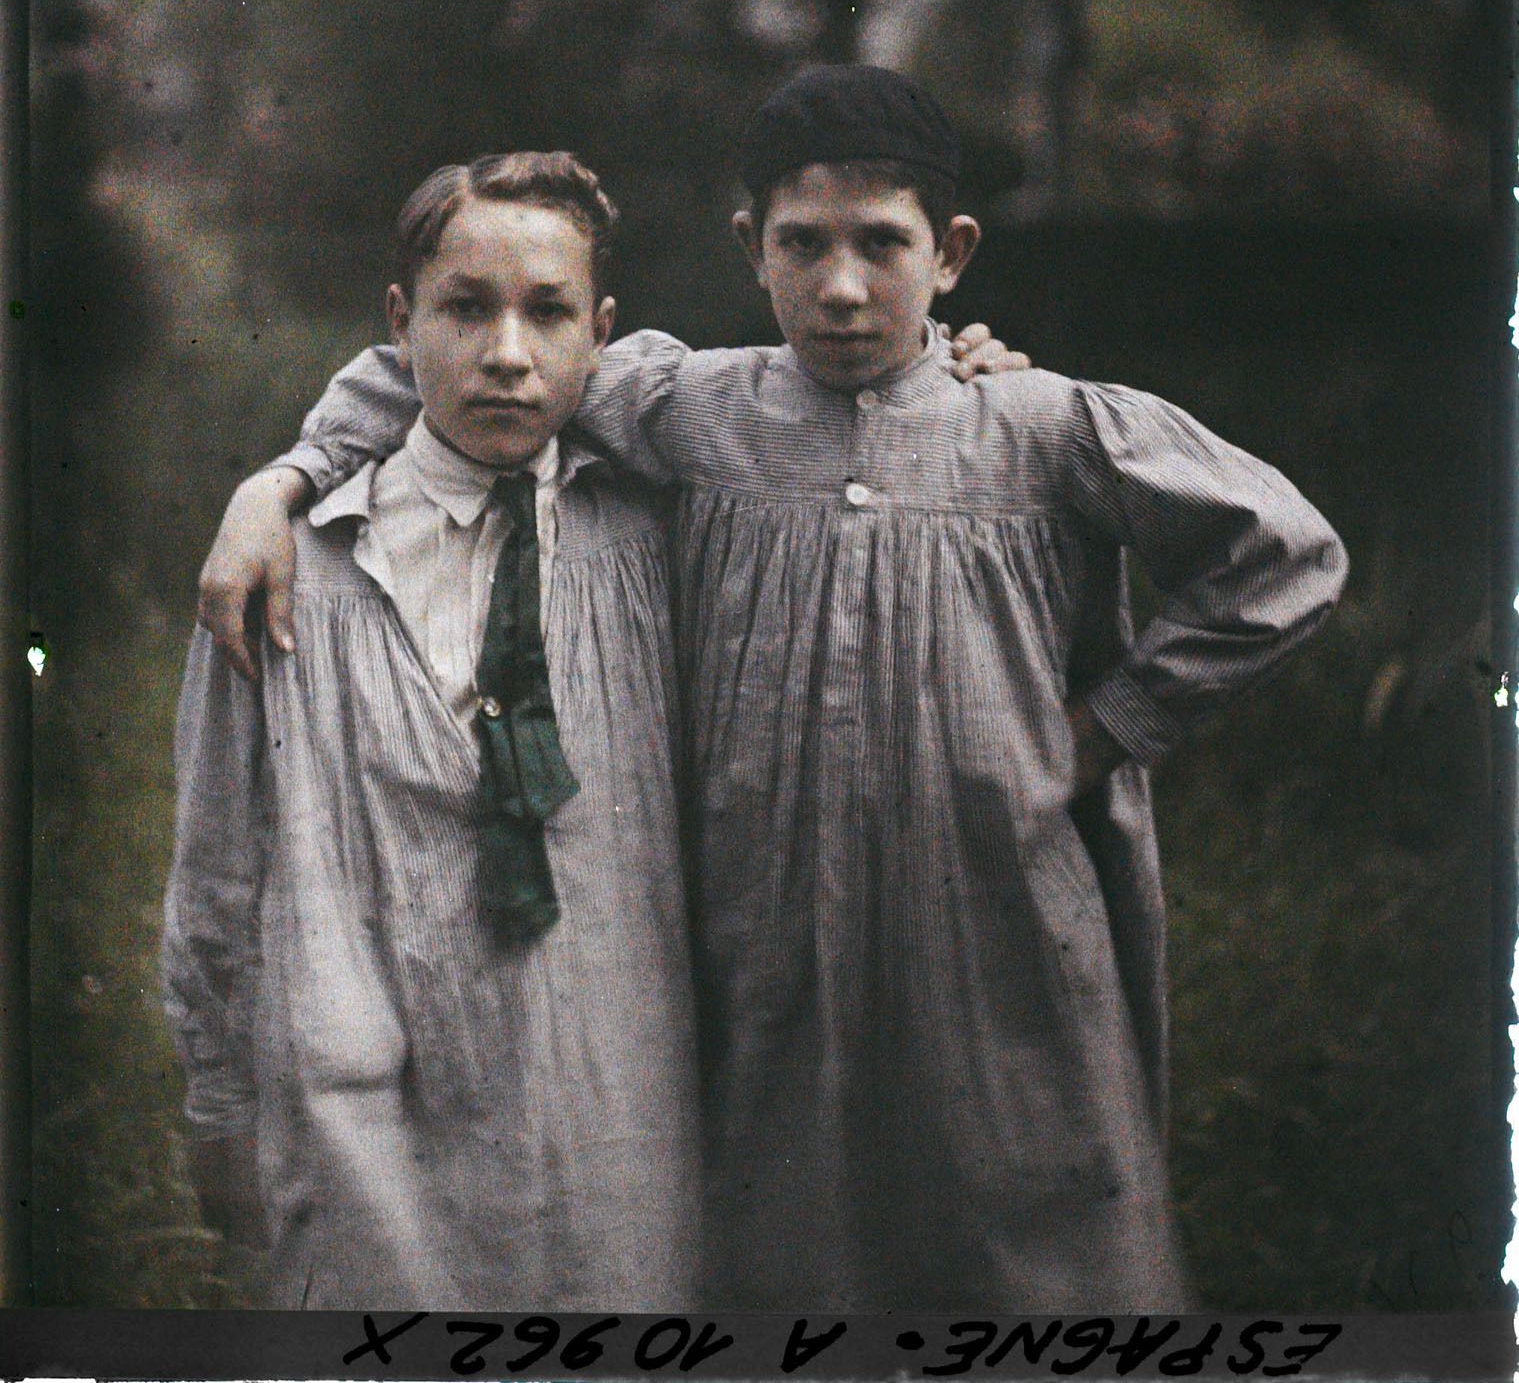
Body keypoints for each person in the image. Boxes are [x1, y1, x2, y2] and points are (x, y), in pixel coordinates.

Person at [198, 66, 1349, 1313]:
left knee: (1037, 1246)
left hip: (1001, 938)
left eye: (882, 244)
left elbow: (1284, 555)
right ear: (752, 248)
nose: (843, 285)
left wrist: (1100, 731)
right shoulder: (695, 404)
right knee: (793, 1265)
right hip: (770, 944)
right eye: (803, 244)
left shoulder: (1038, 425)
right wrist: (283, 482)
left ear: (950, 252)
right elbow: (457, 364)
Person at [162, 151, 704, 1310]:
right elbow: (218, 854)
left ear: (599, 331)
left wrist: (973, 372)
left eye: (547, 311)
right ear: (401, 322)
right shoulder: (283, 567)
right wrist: (216, 1098)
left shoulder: (661, 537)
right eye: (466, 307)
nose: (506, 353)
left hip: (614, 1115)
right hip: (367, 1119)